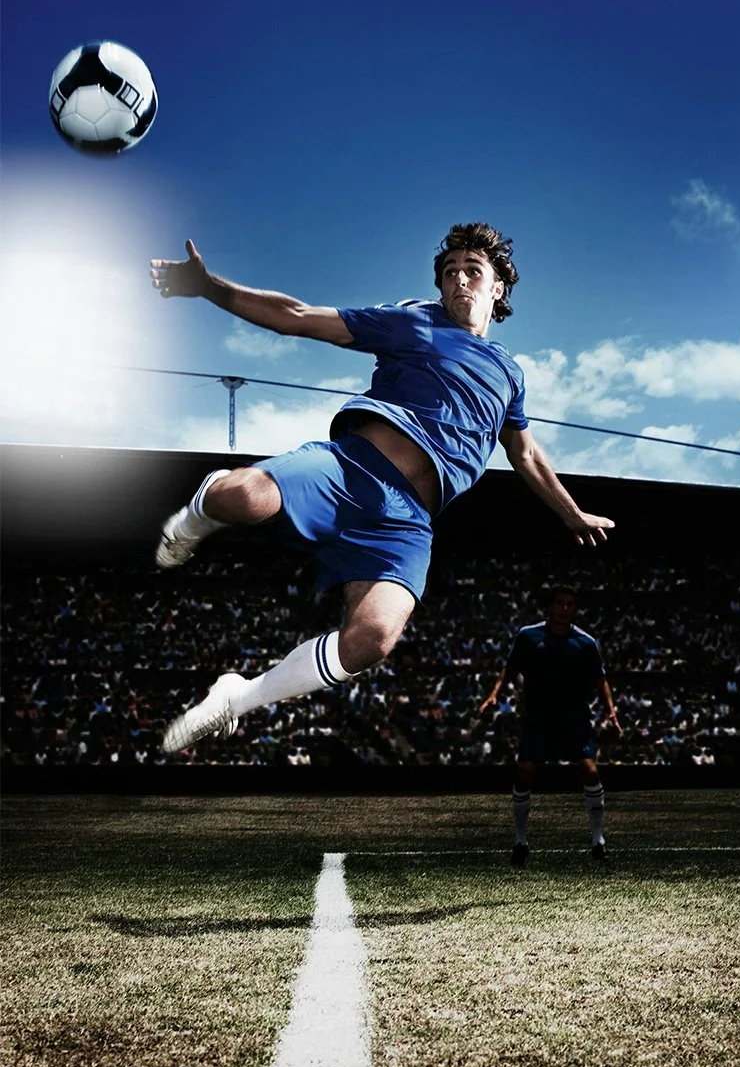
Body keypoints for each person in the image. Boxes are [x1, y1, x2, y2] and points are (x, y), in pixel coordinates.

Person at [149, 222, 616, 755]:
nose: (459, 279)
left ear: (498, 288)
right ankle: (193, 518)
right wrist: (208, 287)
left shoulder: (510, 374)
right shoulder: (415, 321)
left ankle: (237, 698)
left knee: (373, 639)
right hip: (352, 471)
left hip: (407, 521)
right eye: (450, 271)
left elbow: (525, 453)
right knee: (239, 498)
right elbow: (298, 317)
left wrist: (571, 513)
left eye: (472, 270)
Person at [479, 583, 622, 864]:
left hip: (575, 717)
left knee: (590, 771)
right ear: (551, 606)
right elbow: (510, 669)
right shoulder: (528, 636)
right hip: (538, 717)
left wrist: (611, 711)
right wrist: (494, 694)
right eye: (560, 603)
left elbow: (600, 679)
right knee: (524, 772)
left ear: (574, 609)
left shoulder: (586, 642)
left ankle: (598, 841)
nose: (564, 608)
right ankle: (520, 841)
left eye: (570, 604)